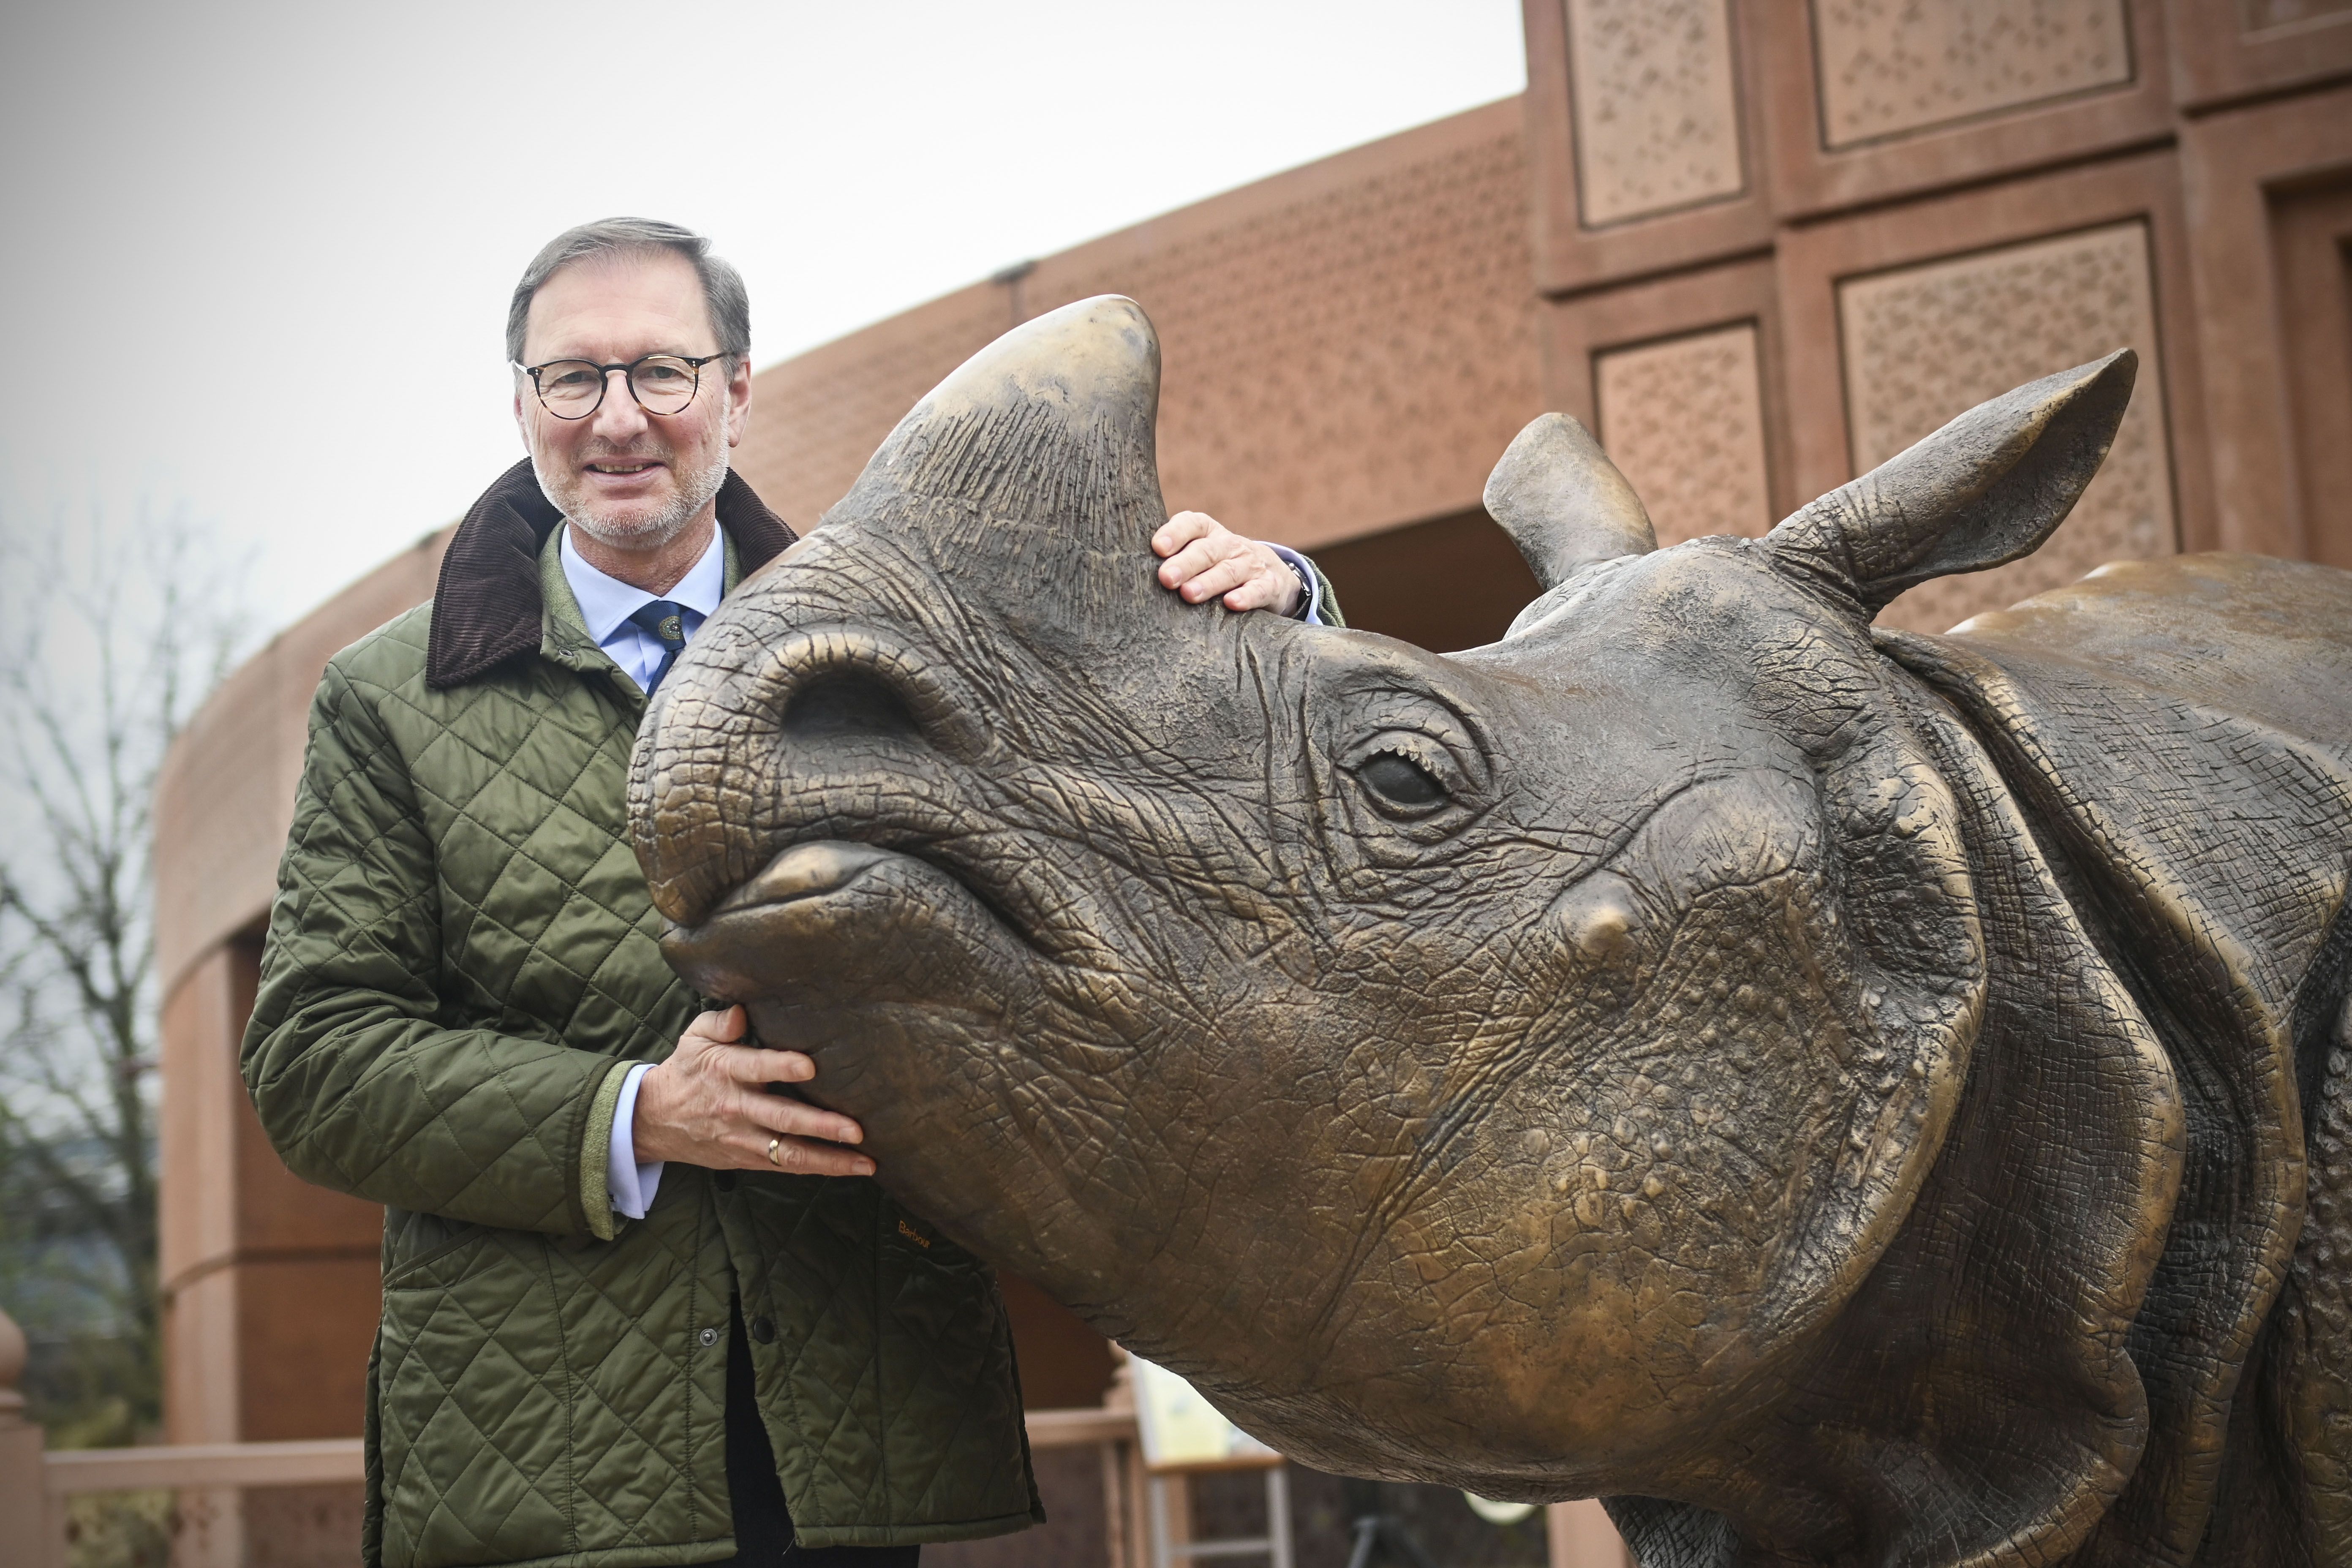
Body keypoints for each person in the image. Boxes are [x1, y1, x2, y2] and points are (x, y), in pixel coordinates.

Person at [240, 217, 1343, 1568]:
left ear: (739, 391)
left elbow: (1168, 788)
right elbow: (314, 1062)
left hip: (851, 1414)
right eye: (572, 378)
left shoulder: (902, 637)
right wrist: (637, 1116)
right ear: (521, 405)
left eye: (663, 370)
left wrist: (1282, 600)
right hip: (541, 1450)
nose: (620, 419)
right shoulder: (386, 700)